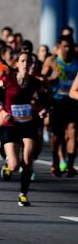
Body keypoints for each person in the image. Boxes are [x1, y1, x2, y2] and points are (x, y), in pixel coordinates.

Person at [0, 51, 48, 206]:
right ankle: (8, 167)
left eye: (28, 62)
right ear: (17, 64)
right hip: (11, 125)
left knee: (28, 159)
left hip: (28, 124)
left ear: (32, 65)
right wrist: (2, 112)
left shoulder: (36, 83)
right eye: (22, 61)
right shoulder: (8, 79)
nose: (25, 64)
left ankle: (23, 194)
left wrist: (43, 110)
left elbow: (44, 101)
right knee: (15, 165)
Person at [43, 36, 77, 177]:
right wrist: (51, 78)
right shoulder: (52, 61)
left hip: (72, 101)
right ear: (59, 46)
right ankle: (55, 160)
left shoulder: (76, 61)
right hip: (56, 102)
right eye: (64, 46)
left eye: (69, 46)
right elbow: (41, 78)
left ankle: (69, 165)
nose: (67, 49)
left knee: (73, 130)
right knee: (57, 136)